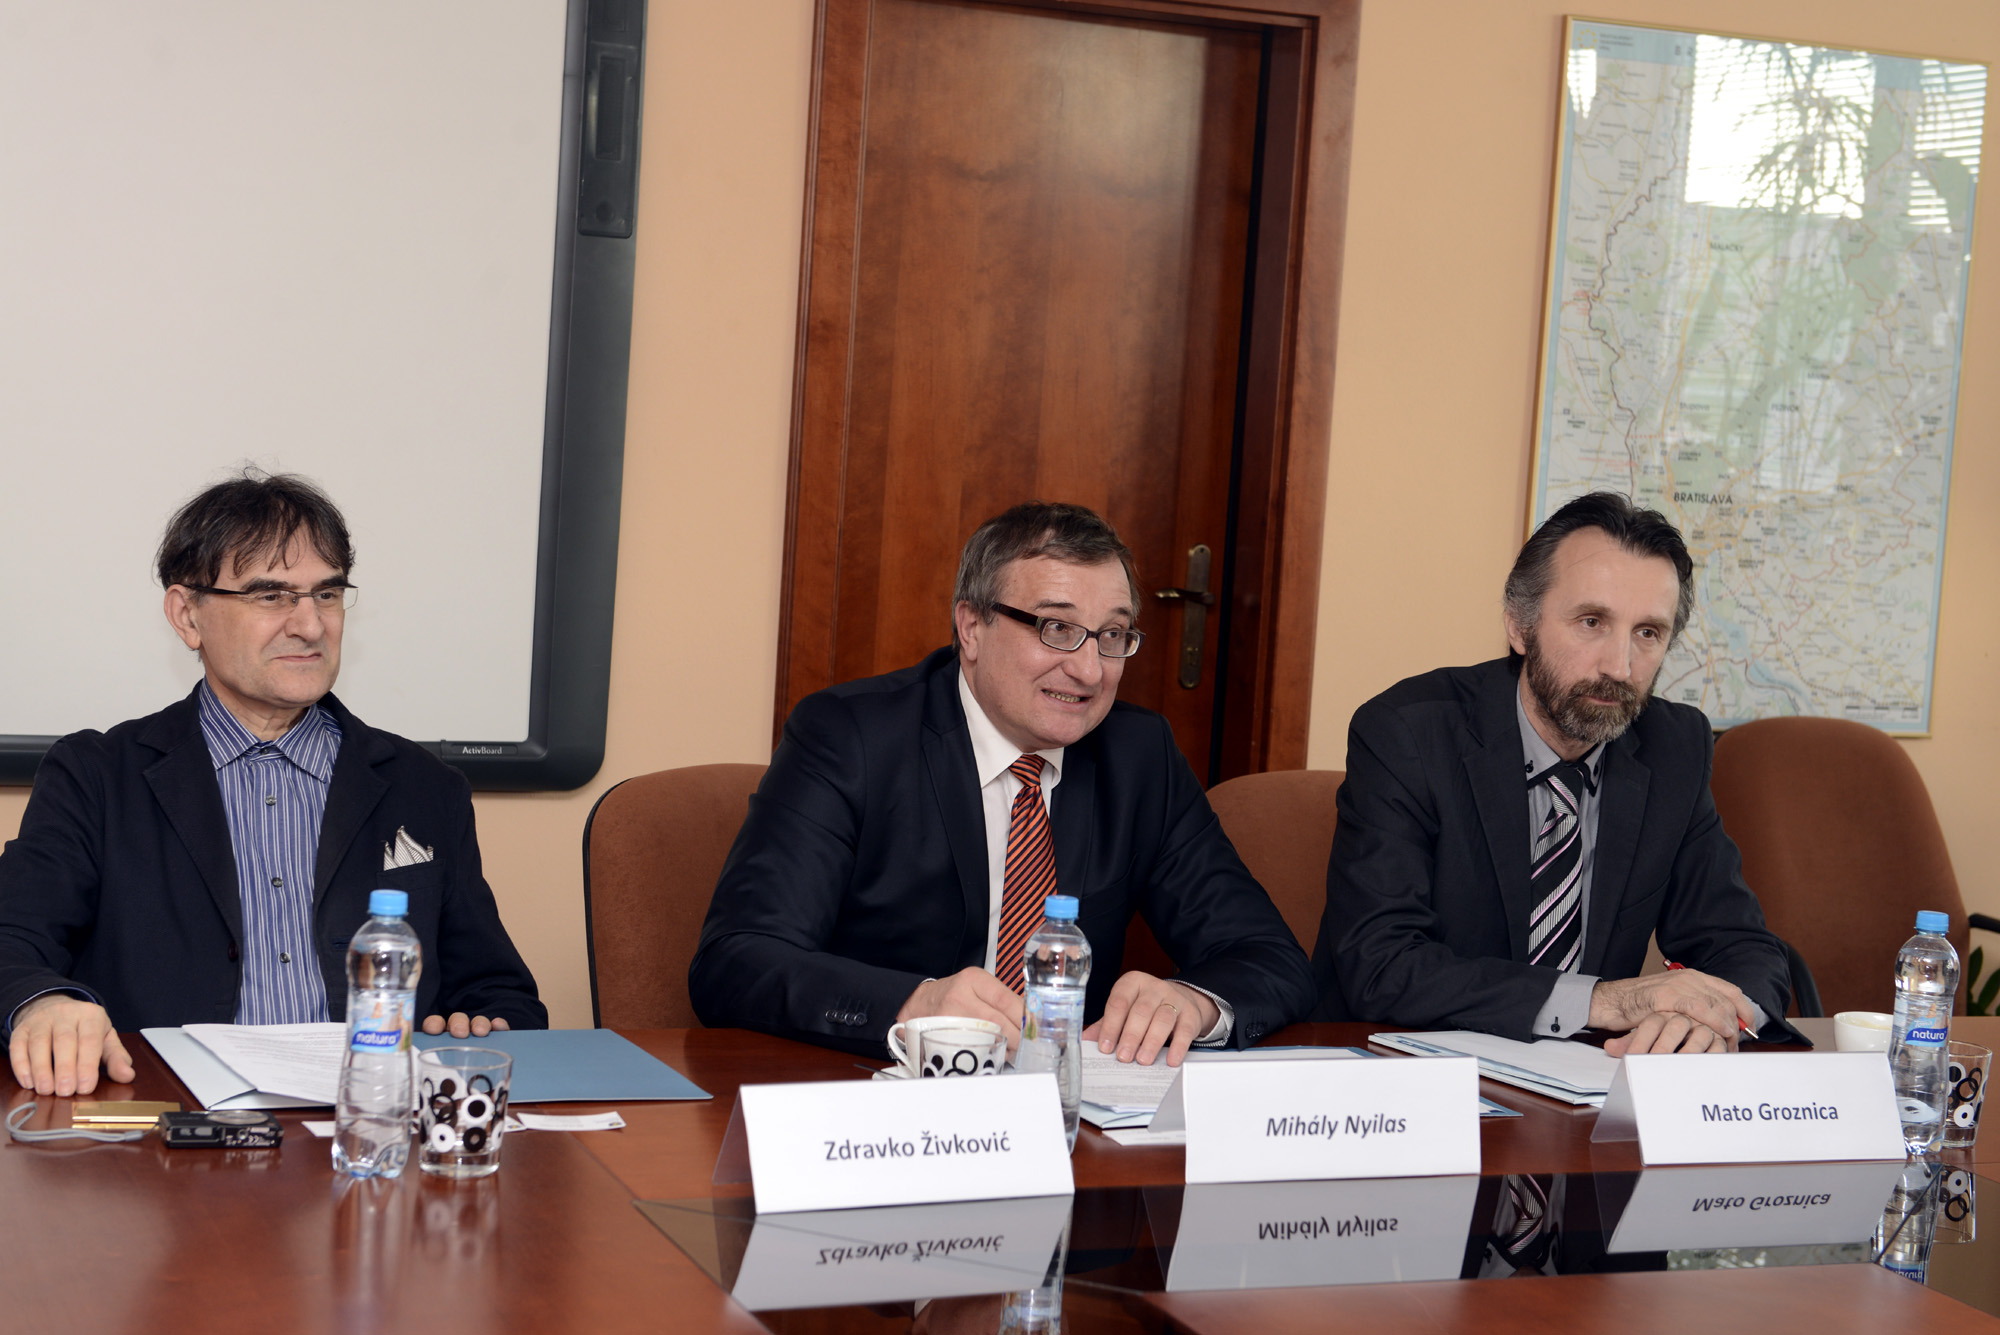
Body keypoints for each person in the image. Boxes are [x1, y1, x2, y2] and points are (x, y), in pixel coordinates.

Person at [690, 502, 1315, 1064]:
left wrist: (1194, 1002)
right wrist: (914, 1004)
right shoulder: (851, 738)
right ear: (971, 628)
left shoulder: (1138, 755)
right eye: (1056, 628)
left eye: (1112, 636)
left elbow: (1269, 958)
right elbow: (737, 960)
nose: (1090, 669)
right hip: (875, 1111)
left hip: (1067, 1120)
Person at [1, 471, 546, 1098]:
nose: (310, 626)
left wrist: (480, 1022)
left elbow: (500, 992)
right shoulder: (97, 776)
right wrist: (42, 1001)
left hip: (364, 1130)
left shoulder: (423, 787)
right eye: (270, 596)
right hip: (169, 1133)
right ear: (187, 615)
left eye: (328, 595)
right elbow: (12, 939)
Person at [1316, 491, 1799, 1055]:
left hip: (1581, 1092)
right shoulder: (1409, 734)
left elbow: (1741, 945)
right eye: (1592, 621)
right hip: (1403, 1078)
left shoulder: (1673, 746)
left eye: (1648, 633)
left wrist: (1711, 1018)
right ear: (1520, 628)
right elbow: (1381, 964)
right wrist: (1604, 1001)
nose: (1619, 667)